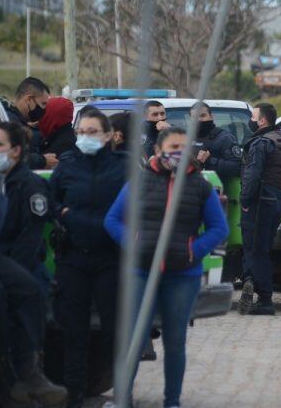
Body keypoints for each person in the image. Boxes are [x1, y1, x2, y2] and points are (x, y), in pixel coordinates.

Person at [105, 127, 229, 406]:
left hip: (182, 276)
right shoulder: (139, 181)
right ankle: (122, 399)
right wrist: (133, 243)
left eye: (185, 147)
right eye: (174, 146)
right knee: (133, 340)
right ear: (158, 149)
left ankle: (172, 401)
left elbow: (218, 228)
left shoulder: (200, 185)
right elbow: (113, 220)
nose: (179, 152)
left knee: (175, 342)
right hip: (140, 272)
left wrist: (192, 251)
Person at [49, 110, 127, 407]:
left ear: (108, 136)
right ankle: (75, 395)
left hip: (110, 258)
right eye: (80, 131)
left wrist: (81, 220)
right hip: (74, 259)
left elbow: (133, 207)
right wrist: (65, 215)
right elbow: (53, 201)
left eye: (92, 132)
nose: (85, 137)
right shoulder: (67, 167)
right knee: (74, 332)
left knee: (114, 333)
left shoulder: (122, 169)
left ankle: (122, 393)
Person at [0, 121, 67, 406]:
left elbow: (29, 240)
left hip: (21, 267)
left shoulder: (29, 185)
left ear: (15, 151)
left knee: (25, 295)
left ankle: (27, 373)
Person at [237, 103, 281, 316]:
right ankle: (251, 281)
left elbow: (252, 175)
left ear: (262, 121)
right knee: (263, 248)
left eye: (253, 116)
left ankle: (263, 297)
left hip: (260, 200)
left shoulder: (260, 143)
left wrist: (245, 199)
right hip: (277, 199)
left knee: (254, 249)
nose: (250, 120)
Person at [0, 76, 57, 169]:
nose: (44, 109)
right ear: (29, 99)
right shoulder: (10, 123)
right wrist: (42, 160)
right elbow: (14, 158)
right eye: (43, 104)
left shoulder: (13, 118)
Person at [190, 102, 242, 181]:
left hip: (216, 190)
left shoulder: (225, 138)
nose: (199, 120)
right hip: (189, 189)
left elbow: (238, 167)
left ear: (211, 117)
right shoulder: (186, 139)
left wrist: (210, 161)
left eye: (203, 115)